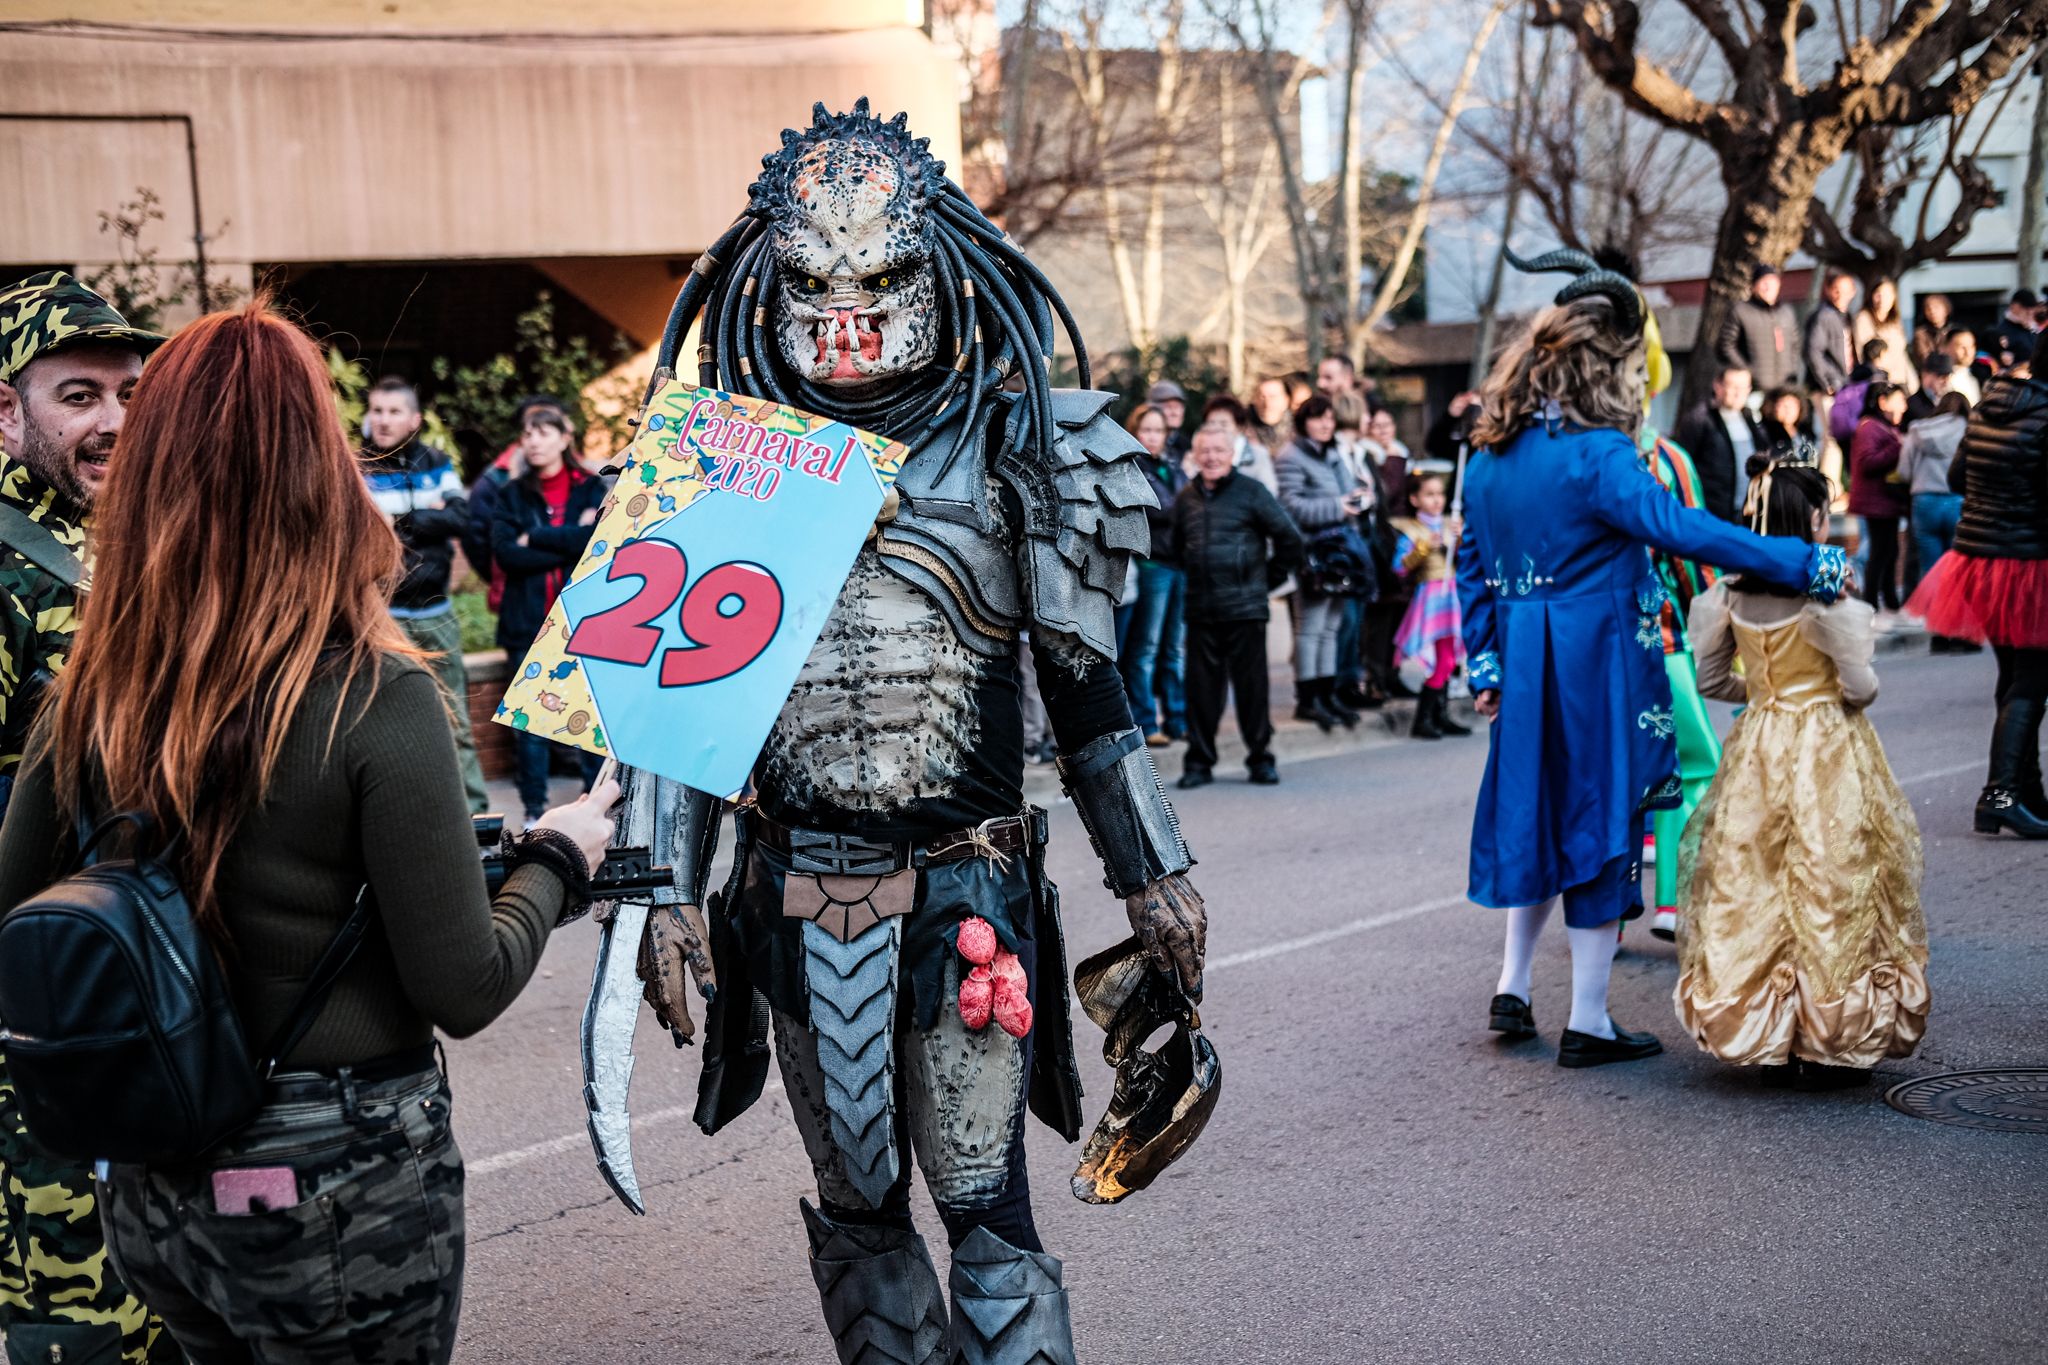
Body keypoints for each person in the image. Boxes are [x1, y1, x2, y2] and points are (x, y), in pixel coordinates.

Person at [603, 101, 1210, 1362]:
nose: (844, 311)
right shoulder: (723, 464)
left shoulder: (1020, 445)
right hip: (791, 890)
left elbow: (1089, 695)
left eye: (876, 277)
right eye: (813, 282)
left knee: (984, 1206)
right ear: (767, 279)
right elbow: (677, 715)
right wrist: (658, 890)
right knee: (859, 1205)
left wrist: (1153, 873)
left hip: (963, 889)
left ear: (935, 266)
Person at [0, 299, 619, 1363]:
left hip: (155, 1188)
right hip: (335, 1187)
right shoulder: (375, 694)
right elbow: (464, 986)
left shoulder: (94, 686)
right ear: (320, 469)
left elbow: (17, 902)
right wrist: (561, 855)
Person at [1462, 247, 1848, 1069]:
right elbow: (1683, 529)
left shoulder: (1489, 450)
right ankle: (1591, 1019)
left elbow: (1471, 561)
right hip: (1595, 658)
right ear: (1608, 367)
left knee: (1536, 813)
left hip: (1526, 663)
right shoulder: (1598, 455)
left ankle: (1515, 983)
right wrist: (1797, 559)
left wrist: (1485, 662)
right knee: (1603, 823)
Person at [0, 272, 176, 1365]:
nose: (113, 420)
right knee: (81, 1322)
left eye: (129, 392)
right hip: (44, 1018)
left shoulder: (143, 543)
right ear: (7, 412)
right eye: (78, 395)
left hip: (151, 998)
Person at [1676, 450, 1928, 1087]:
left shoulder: (1726, 596)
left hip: (1760, 742)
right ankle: (1828, 1039)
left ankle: (1765, 1030)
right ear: (1813, 518)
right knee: (1832, 876)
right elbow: (1861, 688)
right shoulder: (1826, 603)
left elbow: (1710, 680)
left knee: (1755, 877)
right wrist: (1821, 696)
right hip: (1825, 745)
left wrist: (1763, 696)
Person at [1908, 329, 2048, 837]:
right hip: (2029, 562)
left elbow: (1958, 476)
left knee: (2013, 679)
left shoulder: (1990, 404)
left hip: (1979, 558)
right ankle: (2002, 793)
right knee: (2032, 682)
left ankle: (2026, 791)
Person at [360, 377, 489, 815]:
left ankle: (475, 816)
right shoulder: (356, 465)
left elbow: (460, 516)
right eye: (377, 410)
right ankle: (405, 815)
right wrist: (420, 518)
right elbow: (358, 525)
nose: (383, 419)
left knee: (456, 721)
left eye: (394, 411)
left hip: (435, 614)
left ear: (414, 419)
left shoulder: (435, 463)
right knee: (383, 725)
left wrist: (401, 519)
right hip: (379, 616)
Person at [490, 406, 610, 824]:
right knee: (529, 724)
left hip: (579, 621)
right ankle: (534, 811)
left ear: (564, 437)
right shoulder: (511, 494)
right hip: (525, 624)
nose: (534, 441)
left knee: (585, 718)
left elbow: (596, 542)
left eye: (543, 432)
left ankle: (596, 806)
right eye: (527, 433)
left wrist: (536, 536)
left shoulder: (591, 489)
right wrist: (566, 541)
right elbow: (507, 554)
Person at [1169, 427, 1303, 789]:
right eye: (1205, 451)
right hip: (1201, 610)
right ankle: (1198, 764)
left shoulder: (1252, 491)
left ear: (1231, 454)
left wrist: (1265, 582)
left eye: (1218, 450)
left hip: (1246, 609)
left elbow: (1290, 538)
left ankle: (1261, 759)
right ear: (1195, 455)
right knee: (1200, 694)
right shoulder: (1186, 497)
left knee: (1252, 691)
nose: (1211, 457)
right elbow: (1177, 546)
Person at [1276, 394, 1369, 731]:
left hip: (1340, 554)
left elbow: (1349, 491)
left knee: (1330, 627)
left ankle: (1326, 695)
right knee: (1310, 628)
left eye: (1329, 418)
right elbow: (1291, 506)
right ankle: (1308, 698)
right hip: (1313, 553)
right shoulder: (1291, 456)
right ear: (1303, 422)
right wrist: (1339, 507)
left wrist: (1360, 498)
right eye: (1318, 418)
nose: (1326, 424)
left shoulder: (1332, 454)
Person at [1121, 401, 1189, 745]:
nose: (1153, 436)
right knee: (1144, 648)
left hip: (1179, 565)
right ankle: (1147, 721)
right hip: (1152, 566)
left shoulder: (1172, 467)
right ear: (1134, 431)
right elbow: (1161, 509)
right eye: (1146, 429)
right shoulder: (1130, 468)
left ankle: (1178, 718)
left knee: (1174, 648)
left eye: (1158, 430)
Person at [462, 392, 567, 602]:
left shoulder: (581, 478)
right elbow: (475, 538)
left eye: (548, 427)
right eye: (532, 428)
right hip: (518, 599)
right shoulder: (494, 481)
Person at [1390, 472, 1469, 740]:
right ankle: (1424, 719)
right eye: (1429, 495)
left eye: (1440, 494)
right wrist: (1423, 547)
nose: (1437, 500)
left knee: (1449, 658)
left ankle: (1438, 715)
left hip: (1452, 595)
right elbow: (1399, 567)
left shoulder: (1451, 524)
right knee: (1441, 659)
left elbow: (1467, 560)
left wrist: (1461, 540)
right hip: (1432, 599)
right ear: (1415, 499)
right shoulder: (1411, 529)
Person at [1900, 390, 1972, 626]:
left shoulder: (1917, 429)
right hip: (1956, 502)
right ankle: (1959, 628)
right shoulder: (1968, 429)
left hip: (1924, 502)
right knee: (1958, 568)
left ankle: (1938, 629)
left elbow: (1904, 472)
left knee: (1931, 570)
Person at [1848, 381, 1910, 620]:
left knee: (1890, 550)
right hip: (1876, 502)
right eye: (1898, 399)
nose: (1903, 406)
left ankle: (1888, 598)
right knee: (1879, 551)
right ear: (1882, 402)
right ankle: (1872, 600)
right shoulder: (1869, 428)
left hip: (1886, 501)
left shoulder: (1882, 427)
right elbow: (1868, 462)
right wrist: (1898, 448)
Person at [1675, 364, 1765, 523]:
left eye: (1744, 388)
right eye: (1733, 386)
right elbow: (1680, 464)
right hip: (1711, 514)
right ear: (1717, 386)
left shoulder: (1750, 418)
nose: (1739, 393)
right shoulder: (1699, 418)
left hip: (1746, 512)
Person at [1718, 262, 1801, 394]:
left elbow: (1795, 344)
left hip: (1783, 387)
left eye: (1772, 282)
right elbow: (1726, 345)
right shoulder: (1741, 311)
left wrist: (1791, 369)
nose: (1768, 287)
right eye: (1764, 282)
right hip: (1754, 388)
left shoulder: (1786, 312)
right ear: (1753, 286)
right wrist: (1747, 371)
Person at [1805, 270, 1858, 445]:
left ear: (1853, 291)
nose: (1839, 294)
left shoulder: (1847, 317)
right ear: (1828, 290)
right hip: (1828, 387)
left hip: (1844, 384)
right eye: (1835, 289)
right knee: (1831, 437)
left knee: (1839, 437)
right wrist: (1826, 382)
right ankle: (1826, 473)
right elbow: (1813, 351)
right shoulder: (1824, 315)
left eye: (1844, 289)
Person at [1198, 394, 1277, 491]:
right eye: (1212, 423)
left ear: (1239, 427)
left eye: (1224, 424)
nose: (1217, 429)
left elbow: (1269, 492)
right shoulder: (1200, 455)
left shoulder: (1257, 455)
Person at [1853, 276, 1916, 395]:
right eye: (1878, 294)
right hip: (1880, 381)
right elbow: (1866, 354)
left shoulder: (1895, 321)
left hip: (1901, 379)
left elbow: (1902, 354)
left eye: (1887, 294)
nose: (1882, 299)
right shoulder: (1863, 319)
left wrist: (1912, 380)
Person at [1992, 290, 2041, 373]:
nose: (2029, 311)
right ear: (2013, 306)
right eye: (2025, 308)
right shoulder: (2001, 332)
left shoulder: (2033, 329)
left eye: (2032, 308)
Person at [1147, 379, 1191, 469]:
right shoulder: (1140, 443)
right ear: (1153, 409)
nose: (1175, 413)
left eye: (1179, 407)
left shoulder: (1186, 445)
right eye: (1169, 407)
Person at [1250, 375, 1295, 455]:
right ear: (1255, 399)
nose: (1267, 403)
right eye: (1262, 397)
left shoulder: (1299, 430)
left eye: (1273, 397)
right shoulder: (1243, 429)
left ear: (1286, 400)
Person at [1907, 352, 1955, 422]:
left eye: (1948, 377)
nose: (1946, 382)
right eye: (1942, 377)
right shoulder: (1912, 405)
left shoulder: (1952, 403)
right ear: (1926, 375)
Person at [1910, 292, 1953, 368]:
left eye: (1936, 307)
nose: (1932, 311)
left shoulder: (1954, 332)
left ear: (1946, 309)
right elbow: (1924, 357)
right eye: (1928, 308)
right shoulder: (1920, 333)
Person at [1946, 329, 1983, 404]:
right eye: (1962, 347)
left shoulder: (1975, 378)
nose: (1968, 352)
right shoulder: (1943, 380)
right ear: (1947, 347)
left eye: (1971, 346)